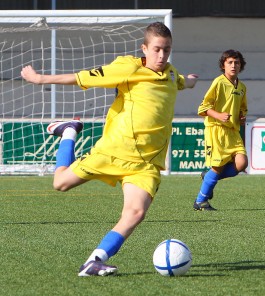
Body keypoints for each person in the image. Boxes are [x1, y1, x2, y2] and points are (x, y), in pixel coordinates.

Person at [21, 22, 198, 276]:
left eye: (167, 50)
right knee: (60, 183)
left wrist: (190, 81)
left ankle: (95, 260)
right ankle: (69, 132)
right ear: (144, 48)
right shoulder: (128, 68)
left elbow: (180, 82)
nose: (161, 56)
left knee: (135, 212)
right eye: (157, 49)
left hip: (146, 164)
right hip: (114, 151)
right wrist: (41, 79)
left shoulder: (170, 74)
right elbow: (84, 77)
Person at [193, 49, 248, 211]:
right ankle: (200, 201)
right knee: (217, 167)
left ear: (241, 66)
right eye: (229, 62)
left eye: (236, 62)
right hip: (216, 130)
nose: (233, 65)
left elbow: (242, 109)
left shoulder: (242, 87)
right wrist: (218, 115)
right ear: (223, 65)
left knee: (241, 163)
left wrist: (241, 117)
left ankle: (208, 177)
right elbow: (203, 108)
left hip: (232, 131)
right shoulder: (218, 82)